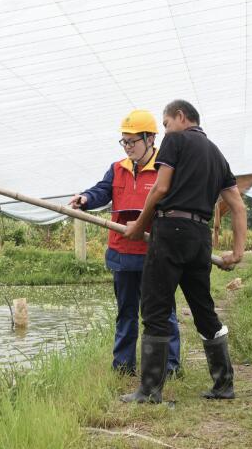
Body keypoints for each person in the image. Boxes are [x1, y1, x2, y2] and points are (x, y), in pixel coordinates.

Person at [121, 99, 246, 404]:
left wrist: (139, 225)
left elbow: (161, 188)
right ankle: (223, 385)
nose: (164, 131)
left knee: (155, 309)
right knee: (204, 310)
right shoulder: (217, 155)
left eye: (165, 123)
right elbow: (238, 205)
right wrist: (237, 252)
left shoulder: (175, 140)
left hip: (170, 233)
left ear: (180, 117)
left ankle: (150, 391)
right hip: (200, 237)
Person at [69, 110, 182, 377]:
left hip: (154, 253)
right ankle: (123, 366)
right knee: (126, 313)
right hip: (122, 254)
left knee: (161, 312)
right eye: (125, 141)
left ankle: (170, 367)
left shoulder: (164, 169)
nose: (128, 147)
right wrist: (85, 198)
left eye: (133, 141)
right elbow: (101, 191)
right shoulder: (117, 168)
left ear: (151, 138)